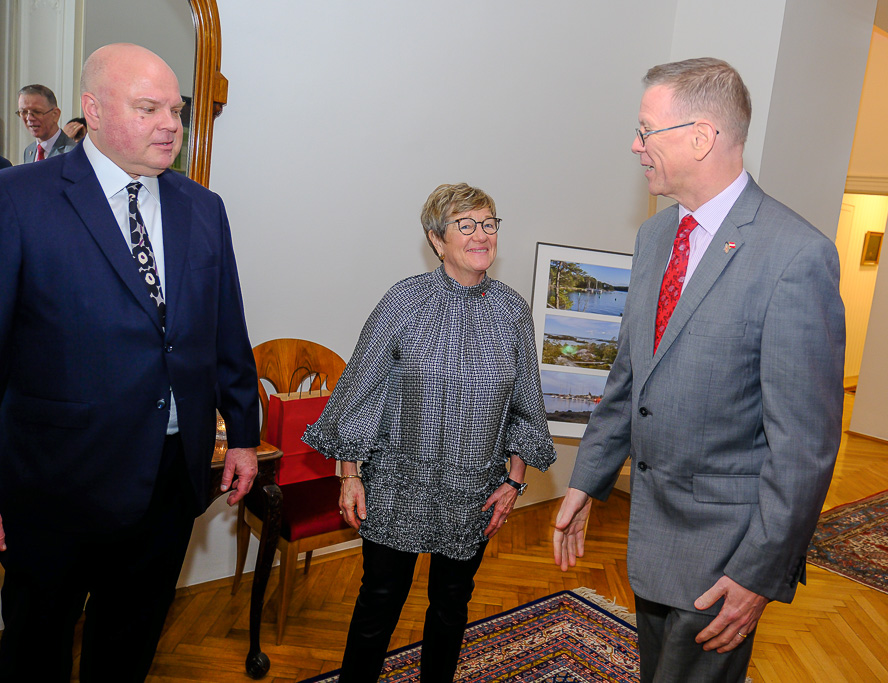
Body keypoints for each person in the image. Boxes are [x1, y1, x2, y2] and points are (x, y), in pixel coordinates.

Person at [552, 58, 846, 683]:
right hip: (651, 537)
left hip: (726, 555)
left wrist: (758, 572)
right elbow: (631, 378)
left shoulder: (796, 256)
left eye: (645, 130)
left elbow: (804, 446)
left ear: (701, 136)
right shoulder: (657, 235)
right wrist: (585, 484)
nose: (635, 146)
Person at [0, 43, 260, 682]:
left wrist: (243, 437)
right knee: (36, 648)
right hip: (54, 481)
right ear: (93, 109)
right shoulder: (19, 198)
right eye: (149, 109)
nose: (171, 124)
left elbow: (226, 332)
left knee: (129, 645)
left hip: (169, 480)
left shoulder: (204, 208)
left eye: (176, 110)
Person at [303, 182, 555, 682]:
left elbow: (525, 406)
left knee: (451, 604)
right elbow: (359, 392)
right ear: (437, 240)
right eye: (466, 225)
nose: (481, 235)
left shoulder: (512, 311)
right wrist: (349, 476)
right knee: (379, 603)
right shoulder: (403, 301)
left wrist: (514, 482)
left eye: (489, 224)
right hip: (397, 488)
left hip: (473, 493)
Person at [16, 84, 76, 163]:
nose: (29, 118)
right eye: (23, 112)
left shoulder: (72, 152)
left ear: (55, 114)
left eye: (37, 112)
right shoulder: (29, 151)